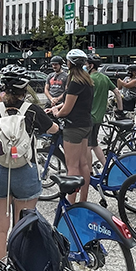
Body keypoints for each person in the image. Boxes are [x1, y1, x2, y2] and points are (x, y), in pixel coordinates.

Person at [0, 66, 58, 259]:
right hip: (25, 169)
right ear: (25, 89)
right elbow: (53, 129)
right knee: (24, 229)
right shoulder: (33, 110)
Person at [47, 49, 94, 203]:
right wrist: (57, 107)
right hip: (86, 125)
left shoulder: (74, 82)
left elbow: (67, 109)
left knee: (72, 166)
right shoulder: (87, 81)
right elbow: (72, 102)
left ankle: (71, 203)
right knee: (84, 163)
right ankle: (83, 200)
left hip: (73, 127)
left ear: (70, 63)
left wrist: (56, 113)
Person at [87, 54, 122, 165]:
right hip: (99, 117)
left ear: (91, 65)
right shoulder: (105, 78)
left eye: (86, 64)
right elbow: (117, 92)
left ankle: (89, 172)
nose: (85, 66)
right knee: (94, 144)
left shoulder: (88, 79)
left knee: (87, 146)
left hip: (88, 117)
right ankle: (106, 167)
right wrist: (120, 109)